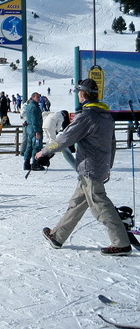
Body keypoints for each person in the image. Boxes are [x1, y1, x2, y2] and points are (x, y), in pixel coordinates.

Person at [37, 79, 132, 256]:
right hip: (98, 166)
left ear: (83, 93)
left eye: (78, 92)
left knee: (99, 204)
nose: (78, 95)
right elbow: (112, 143)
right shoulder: (105, 115)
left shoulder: (87, 116)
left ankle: (121, 242)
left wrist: (44, 153)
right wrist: (107, 166)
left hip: (90, 168)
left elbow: (65, 138)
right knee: (77, 203)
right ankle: (58, 236)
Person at [23, 92, 43, 171]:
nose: (39, 99)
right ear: (34, 97)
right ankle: (35, 163)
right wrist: (37, 131)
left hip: (29, 128)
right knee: (36, 146)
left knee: (29, 146)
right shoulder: (34, 107)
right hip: (34, 129)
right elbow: (35, 120)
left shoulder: (29, 106)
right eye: (37, 97)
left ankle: (26, 163)